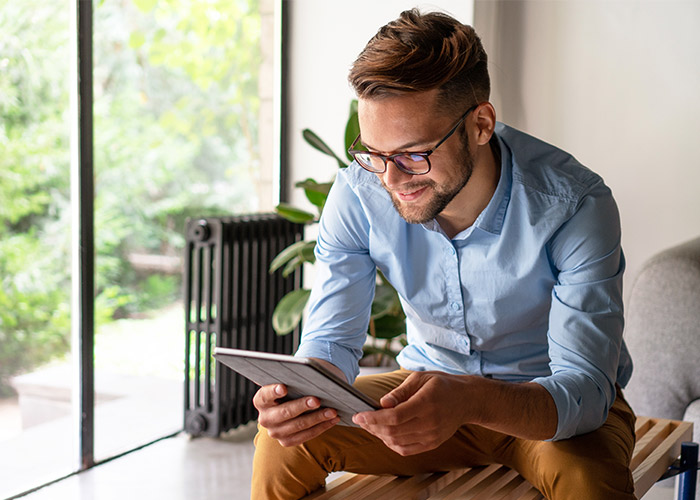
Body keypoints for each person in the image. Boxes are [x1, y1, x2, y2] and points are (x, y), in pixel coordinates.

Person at [252, 8, 635, 500]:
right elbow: (330, 343)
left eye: (414, 153)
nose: (390, 179)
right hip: (422, 391)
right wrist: (301, 398)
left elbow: (585, 390)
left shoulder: (573, 205)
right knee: (283, 443)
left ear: (480, 124)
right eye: (373, 153)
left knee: (589, 483)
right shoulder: (359, 192)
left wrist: (469, 399)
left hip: (546, 405)